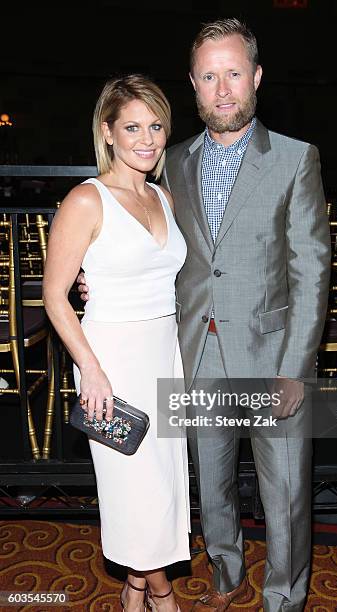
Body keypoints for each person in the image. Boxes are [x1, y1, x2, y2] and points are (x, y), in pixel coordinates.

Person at [79, 18, 331, 612]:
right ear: (193, 83)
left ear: (257, 78)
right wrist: (98, 272)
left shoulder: (296, 159)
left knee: (287, 493)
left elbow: (313, 269)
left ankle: (282, 600)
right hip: (195, 352)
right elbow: (141, 229)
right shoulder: (174, 163)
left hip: (273, 355)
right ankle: (225, 577)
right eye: (209, 76)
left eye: (234, 74)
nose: (222, 89)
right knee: (211, 486)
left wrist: (296, 366)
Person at [43, 74, 190, 612]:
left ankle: (132, 586)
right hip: (110, 360)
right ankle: (163, 594)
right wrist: (93, 370)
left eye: (155, 126)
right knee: (134, 488)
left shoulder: (163, 197)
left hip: (164, 354)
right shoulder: (86, 199)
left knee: (163, 485)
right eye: (132, 126)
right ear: (108, 132)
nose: (147, 139)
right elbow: (55, 297)